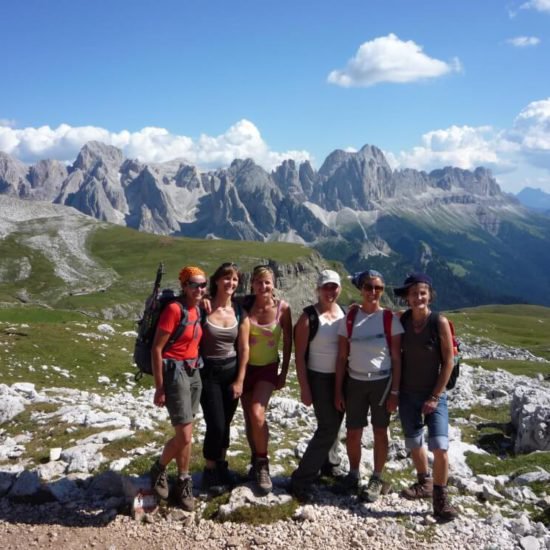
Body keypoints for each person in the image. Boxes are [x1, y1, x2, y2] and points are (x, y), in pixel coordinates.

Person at [393, 273, 458, 521]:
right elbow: (396, 354)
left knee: (440, 446)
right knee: (414, 442)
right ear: (407, 297)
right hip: (408, 393)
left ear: (429, 294)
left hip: (434, 395)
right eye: (414, 293)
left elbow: (449, 362)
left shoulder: (438, 322)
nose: (418, 297)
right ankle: (425, 482)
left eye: (423, 292)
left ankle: (441, 499)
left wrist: (435, 396)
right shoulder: (403, 320)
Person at [334, 269, 403, 502]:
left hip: (382, 383)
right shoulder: (350, 319)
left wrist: (395, 391)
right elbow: (342, 357)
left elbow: (396, 358)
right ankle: (354, 474)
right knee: (353, 432)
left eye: (378, 288)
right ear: (361, 289)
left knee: (380, 431)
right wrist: (337, 390)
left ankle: (376, 477)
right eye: (368, 287)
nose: (373, 292)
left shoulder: (389, 319)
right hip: (355, 381)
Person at [149, 266, 207, 511]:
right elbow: (156, 349)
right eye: (194, 285)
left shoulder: (199, 309)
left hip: (195, 372)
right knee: (183, 434)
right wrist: (160, 387)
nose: (200, 289)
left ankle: (183, 480)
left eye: (203, 285)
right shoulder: (174, 309)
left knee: (188, 433)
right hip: (175, 373)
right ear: (184, 286)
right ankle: (160, 468)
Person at [290, 269, 346, 500]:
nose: (330, 291)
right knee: (328, 427)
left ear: (339, 288)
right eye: (325, 287)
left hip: (341, 376)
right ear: (318, 289)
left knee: (336, 421)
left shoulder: (344, 312)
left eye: (333, 286)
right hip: (319, 378)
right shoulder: (308, 317)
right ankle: (302, 477)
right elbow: (300, 355)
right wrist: (304, 388)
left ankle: (330, 464)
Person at [199, 262, 250, 495]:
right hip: (207, 372)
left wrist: (240, 379)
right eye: (227, 278)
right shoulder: (204, 307)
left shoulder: (239, 312)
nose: (231, 283)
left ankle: (221, 465)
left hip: (231, 372)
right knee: (216, 424)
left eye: (235, 280)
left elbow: (244, 347)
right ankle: (209, 471)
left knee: (225, 424)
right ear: (217, 280)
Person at [241, 265, 292, 495]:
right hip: (245, 369)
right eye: (259, 282)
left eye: (268, 282)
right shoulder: (244, 305)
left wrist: (283, 372)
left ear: (274, 284)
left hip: (268, 369)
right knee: (249, 418)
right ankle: (255, 460)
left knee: (257, 412)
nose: (264, 287)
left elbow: (289, 342)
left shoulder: (283, 308)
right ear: (252, 284)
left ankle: (263, 464)